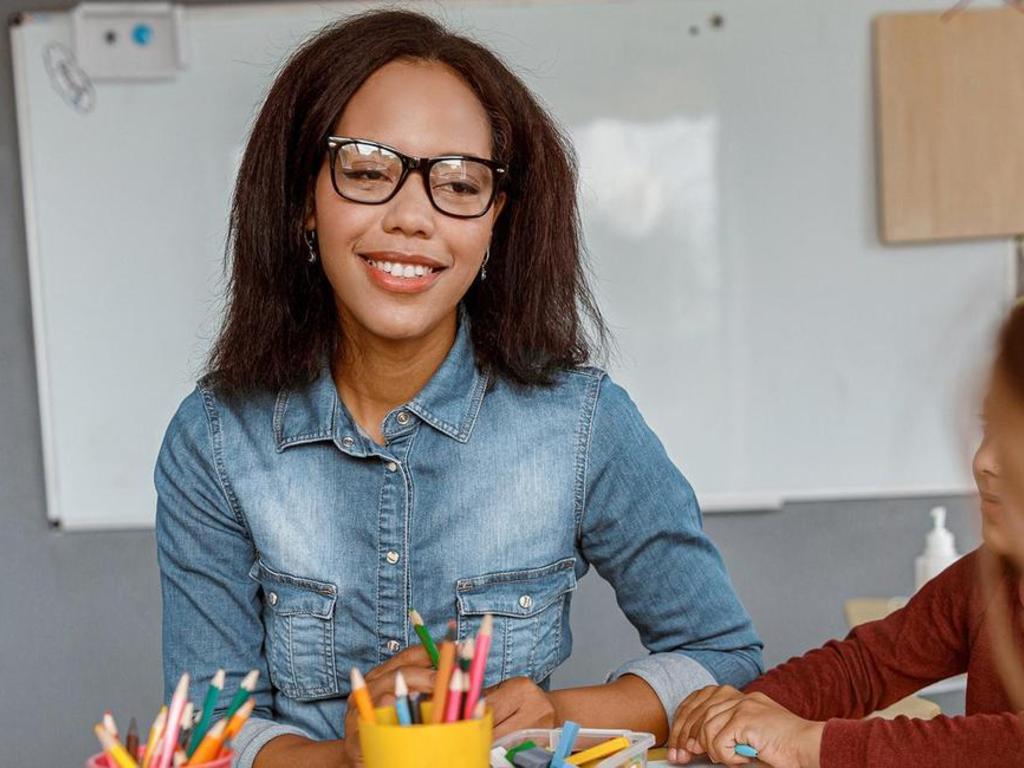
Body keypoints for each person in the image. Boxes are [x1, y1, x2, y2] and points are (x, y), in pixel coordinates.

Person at [155, 10, 761, 768]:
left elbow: (722, 651)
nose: (413, 217)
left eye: (460, 184)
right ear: (303, 199)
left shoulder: (582, 423)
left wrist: (555, 711)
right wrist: (352, 757)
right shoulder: (214, 440)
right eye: (369, 170)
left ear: (494, 223)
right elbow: (205, 732)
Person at [666, 303, 1024, 768]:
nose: (984, 461)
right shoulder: (989, 578)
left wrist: (808, 743)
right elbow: (866, 666)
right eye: (987, 429)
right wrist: (751, 708)